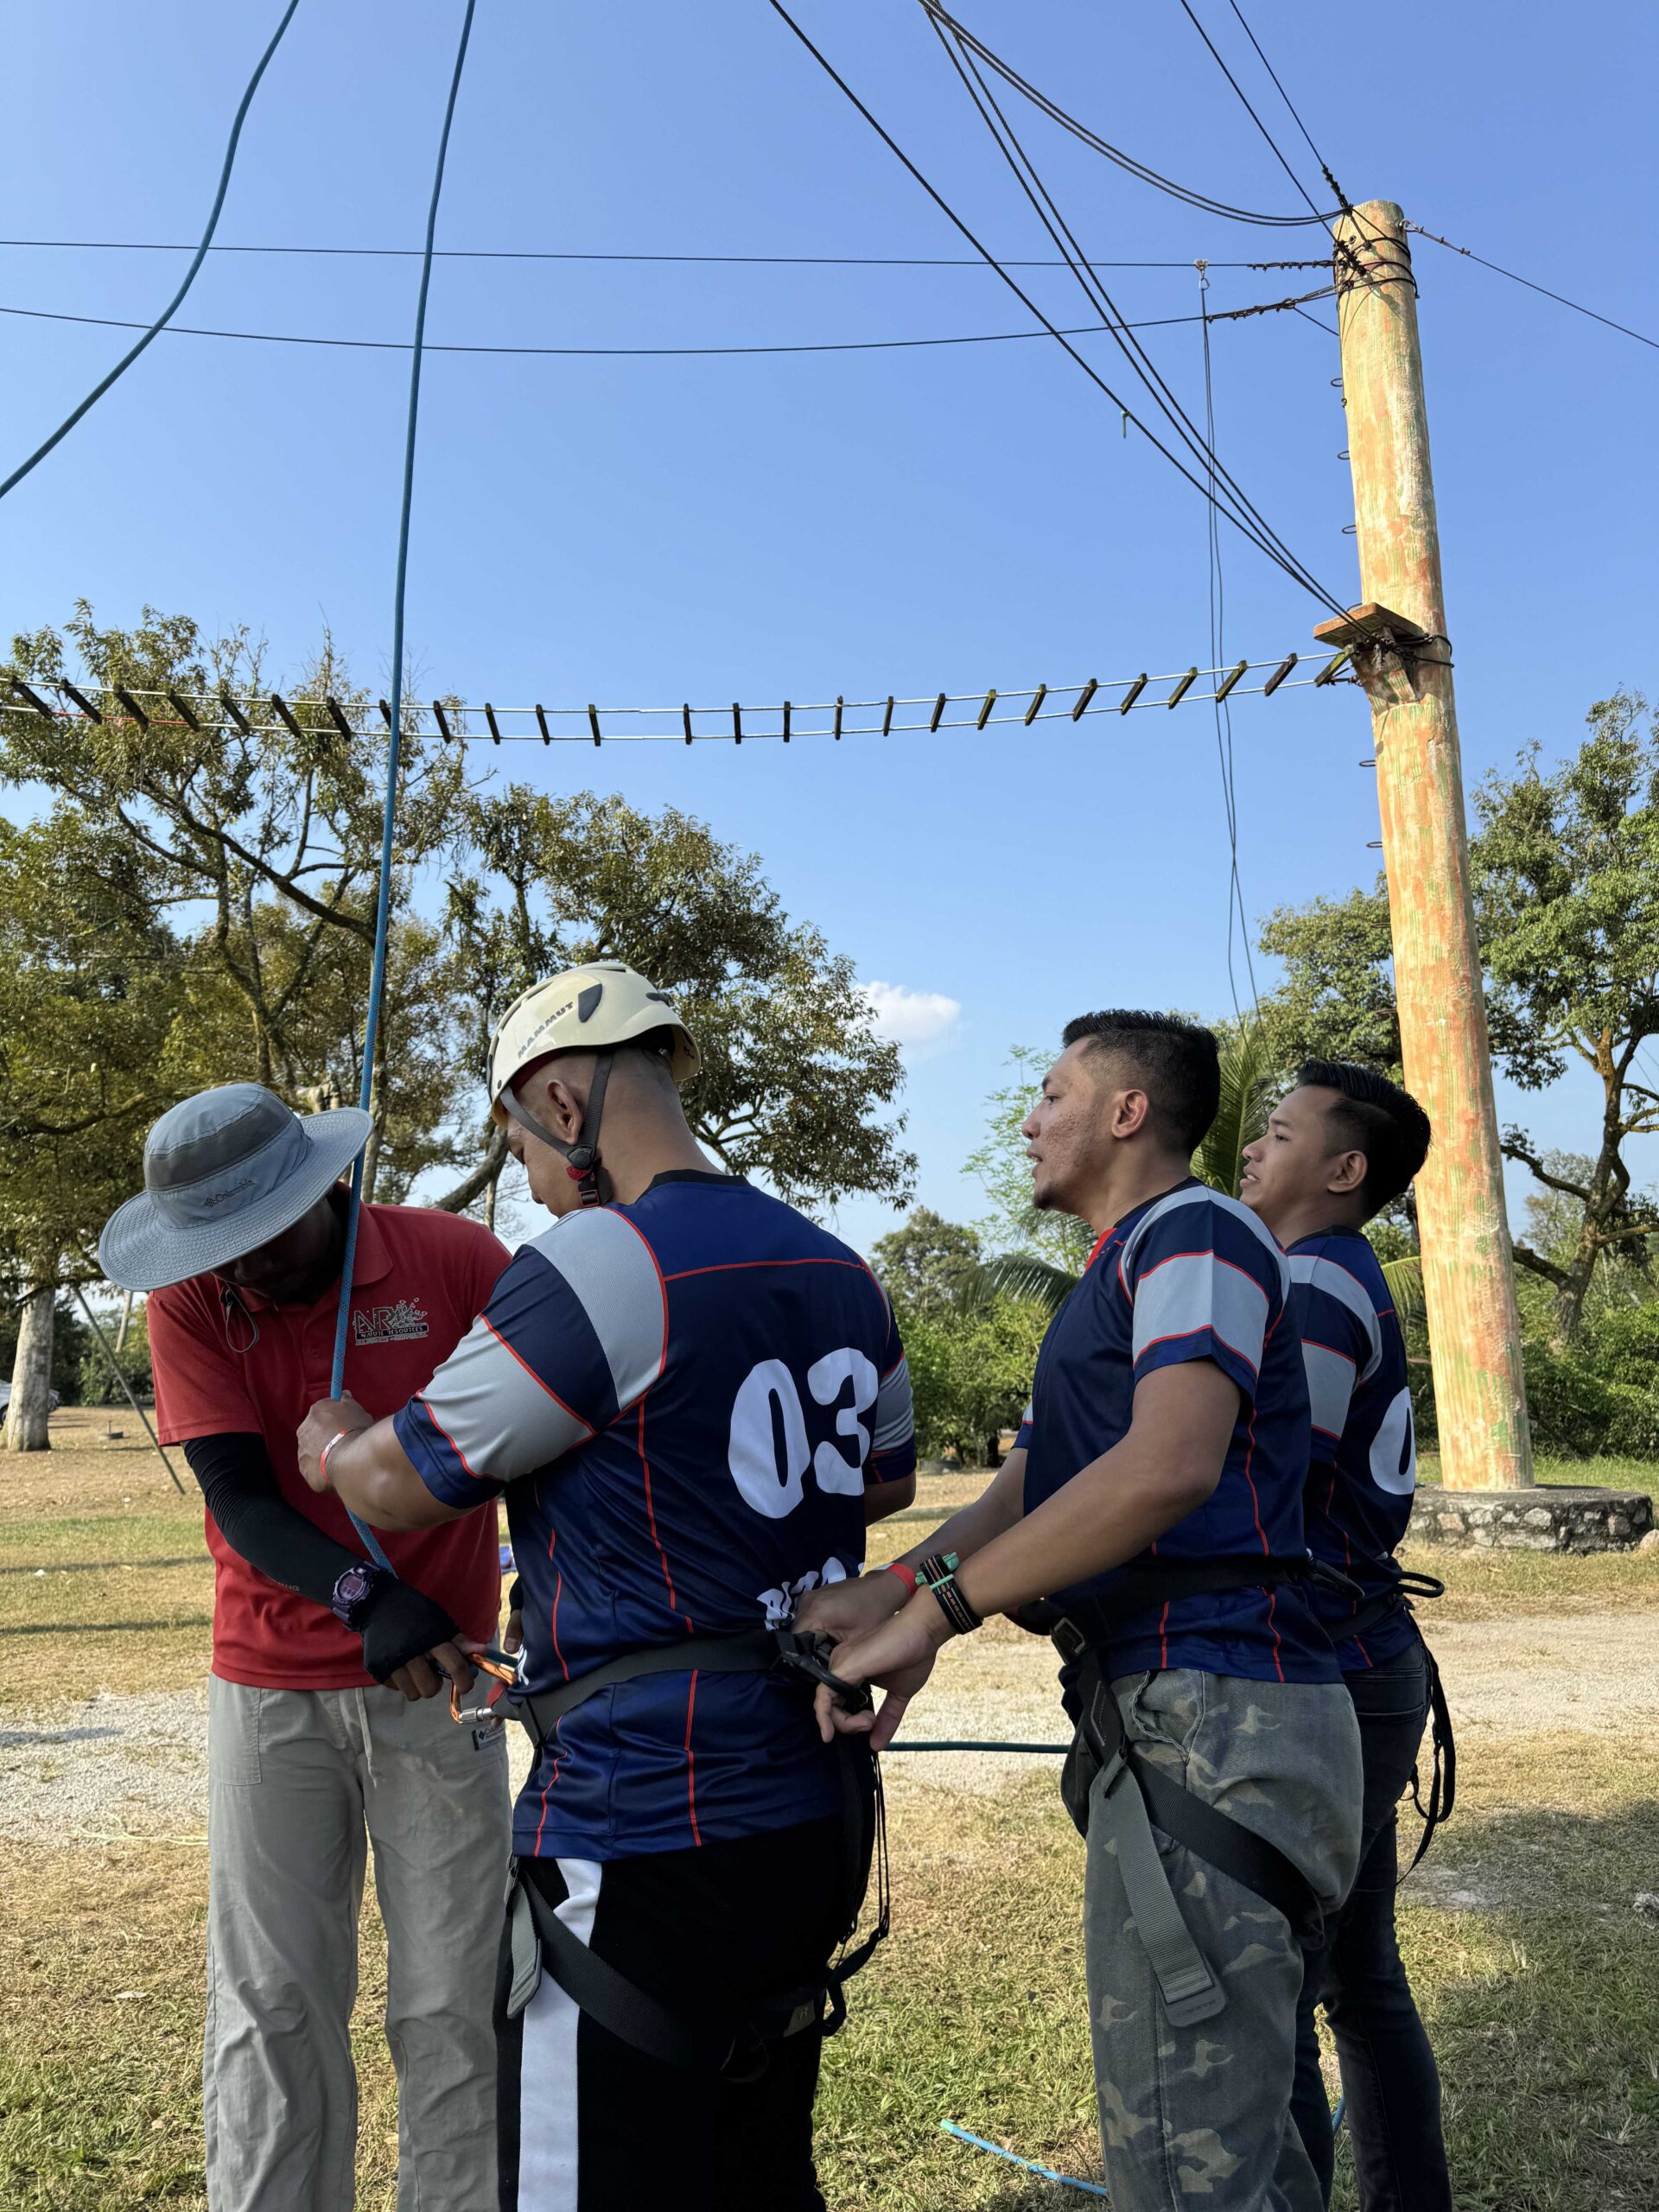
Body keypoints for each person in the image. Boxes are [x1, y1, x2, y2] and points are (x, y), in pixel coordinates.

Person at [292, 963, 918, 2212]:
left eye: (522, 1148)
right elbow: (883, 1481)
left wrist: (336, 1448)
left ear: (564, 1108)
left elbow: (407, 1482)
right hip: (816, 1810)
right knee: (754, 2171)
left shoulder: (598, 1261)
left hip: (643, 1825)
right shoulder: (840, 1266)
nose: (528, 1182)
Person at [801, 1011, 1363, 2212]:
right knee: (1235, 2147)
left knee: (1185, 2169)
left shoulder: (1194, 1232)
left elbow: (1167, 1467)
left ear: (1126, 1112)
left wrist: (937, 1615)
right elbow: (1025, 1491)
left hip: (1213, 1721)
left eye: (1052, 1094)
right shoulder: (1119, 1273)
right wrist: (892, 1591)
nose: (1028, 1120)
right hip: (1177, 1716)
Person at [99, 1084, 512, 2212]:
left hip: (443, 1684)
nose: (241, 1266)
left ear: (325, 1186)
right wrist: (365, 1596)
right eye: (216, 1246)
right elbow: (239, 1497)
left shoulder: (457, 1260)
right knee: (271, 2002)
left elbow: (543, 1434)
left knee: (454, 1998)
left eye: (261, 1234)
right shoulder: (193, 1297)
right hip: (270, 1688)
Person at [1239, 1059, 1452, 2212]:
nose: (1252, 1150)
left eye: (1279, 1133)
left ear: (1343, 1170)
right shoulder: (1331, 1272)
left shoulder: (1314, 1281)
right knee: (1360, 1978)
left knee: (1278, 1979)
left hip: (1330, 1669)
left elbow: (1271, 1487)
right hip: (1372, 1658)